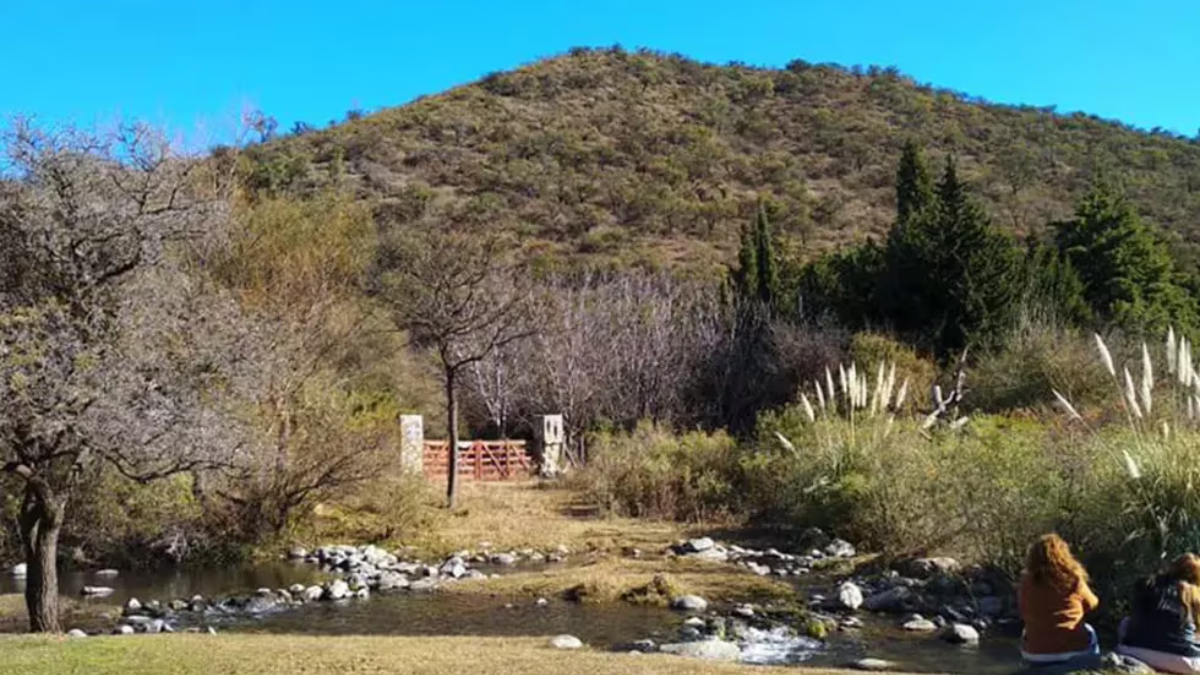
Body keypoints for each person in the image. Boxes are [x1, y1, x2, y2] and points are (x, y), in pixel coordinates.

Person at [1018, 533, 1101, 668]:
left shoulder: (1026, 581)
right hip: (1074, 650)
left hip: (1035, 653)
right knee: (1090, 630)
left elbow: (1023, 611)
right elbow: (1092, 603)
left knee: (1025, 632)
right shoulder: (1073, 578)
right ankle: (1093, 667)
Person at [1117, 553, 1200, 674]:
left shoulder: (1149, 583)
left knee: (1125, 622)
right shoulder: (1195, 594)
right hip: (1184, 662)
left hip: (1133, 651)